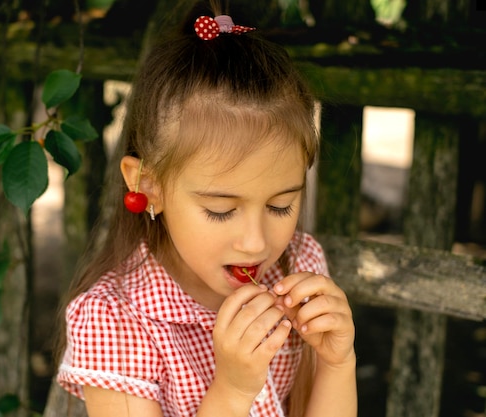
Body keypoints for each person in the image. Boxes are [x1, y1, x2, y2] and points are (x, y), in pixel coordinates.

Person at [56, 1, 357, 416]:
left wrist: (337, 363)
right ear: (149, 186)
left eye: (280, 205)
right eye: (220, 210)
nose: (255, 243)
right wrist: (233, 391)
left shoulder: (299, 267)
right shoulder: (116, 321)